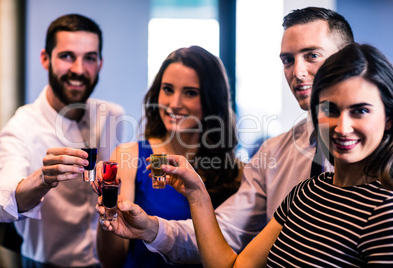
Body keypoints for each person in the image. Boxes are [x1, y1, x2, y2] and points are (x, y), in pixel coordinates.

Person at [96, 6, 355, 265]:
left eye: (312, 55)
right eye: (287, 60)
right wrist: (151, 228)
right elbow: (224, 235)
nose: (297, 72)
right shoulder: (272, 154)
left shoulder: (378, 156)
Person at [161, 42, 393, 266]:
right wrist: (196, 194)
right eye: (330, 109)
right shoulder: (306, 192)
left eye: (360, 111)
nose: (343, 127)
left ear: (388, 119)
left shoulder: (385, 211)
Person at [0, 14, 125, 267]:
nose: (78, 69)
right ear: (45, 58)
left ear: (100, 63)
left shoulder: (112, 116)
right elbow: (0, 206)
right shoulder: (21, 126)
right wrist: (42, 178)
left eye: (89, 58)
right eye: (67, 56)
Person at [95, 46, 243, 267]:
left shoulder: (235, 172)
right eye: (168, 89)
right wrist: (108, 210)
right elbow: (111, 261)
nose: (174, 103)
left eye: (190, 92)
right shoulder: (129, 156)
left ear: (213, 100)